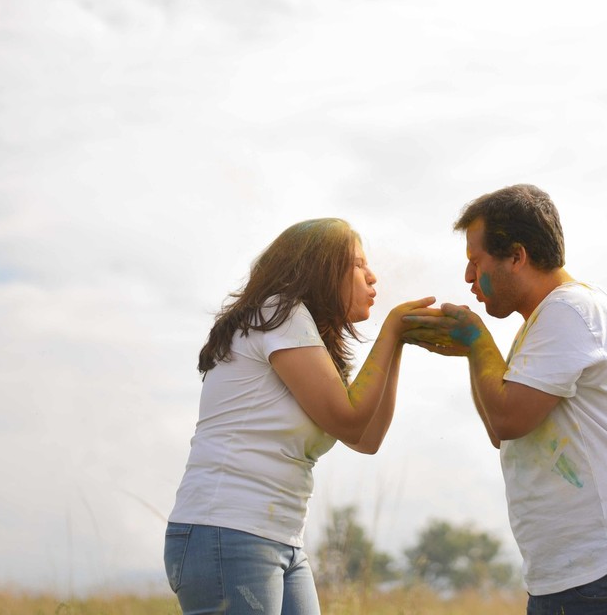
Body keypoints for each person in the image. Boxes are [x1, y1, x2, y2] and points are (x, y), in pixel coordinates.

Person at [404, 184, 607, 615]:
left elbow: (507, 419)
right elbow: (502, 433)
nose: (467, 278)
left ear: (517, 256)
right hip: (580, 576)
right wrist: (472, 351)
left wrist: (477, 339)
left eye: (475, 262)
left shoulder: (568, 310)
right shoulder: (541, 325)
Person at [165, 217, 432, 615]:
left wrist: (396, 344)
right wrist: (390, 330)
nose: (372, 276)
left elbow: (366, 438)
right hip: (227, 530)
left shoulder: (300, 335)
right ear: (321, 269)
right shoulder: (280, 312)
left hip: (278, 538)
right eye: (358, 264)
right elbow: (351, 420)